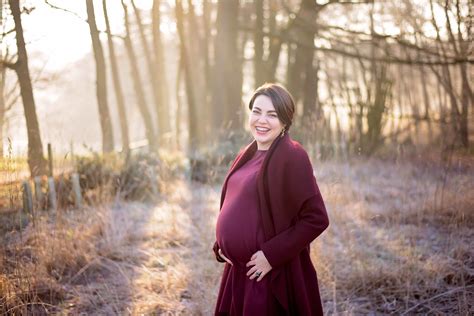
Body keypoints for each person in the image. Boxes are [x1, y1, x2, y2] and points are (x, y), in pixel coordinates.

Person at [213, 83, 330, 315]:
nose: (262, 120)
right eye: (257, 111)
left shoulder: (293, 157)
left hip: (268, 277)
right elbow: (238, 204)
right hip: (237, 273)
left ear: (285, 122)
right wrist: (222, 243)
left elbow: (316, 218)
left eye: (272, 115)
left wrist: (271, 255)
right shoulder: (247, 153)